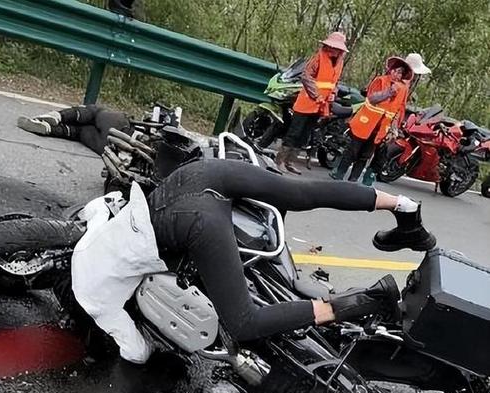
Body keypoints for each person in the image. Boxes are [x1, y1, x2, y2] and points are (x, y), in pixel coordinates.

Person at [57, 158, 436, 363]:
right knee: (301, 192)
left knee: (243, 323)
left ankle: (356, 303)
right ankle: (402, 206)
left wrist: (143, 345)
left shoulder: (97, 301)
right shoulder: (94, 229)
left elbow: (136, 352)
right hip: (193, 176)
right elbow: (96, 209)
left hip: (190, 221)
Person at [330, 56, 413, 184]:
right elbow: (372, 98)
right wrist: (389, 92)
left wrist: (394, 128)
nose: (397, 74)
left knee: (365, 155)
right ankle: (339, 174)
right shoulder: (380, 81)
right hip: (365, 124)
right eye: (396, 70)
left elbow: (398, 110)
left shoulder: (402, 89)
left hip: (380, 129)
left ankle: (353, 180)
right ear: (390, 70)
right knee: (352, 151)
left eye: (400, 72)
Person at [275, 31, 348, 175]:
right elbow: (306, 77)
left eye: (338, 48)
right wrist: (316, 95)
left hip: (320, 106)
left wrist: (333, 93)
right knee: (294, 132)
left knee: (304, 135)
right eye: (333, 47)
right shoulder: (318, 58)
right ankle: (280, 160)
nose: (335, 50)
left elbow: (334, 83)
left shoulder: (339, 62)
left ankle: (290, 161)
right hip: (307, 102)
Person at [17, 104, 132, 155]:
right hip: (111, 149)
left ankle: (58, 116)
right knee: (79, 132)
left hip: (123, 129)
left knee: (94, 112)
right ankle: (50, 129)